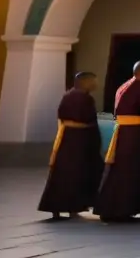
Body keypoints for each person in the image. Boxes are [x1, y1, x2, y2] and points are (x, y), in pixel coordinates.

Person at [94, 61, 140, 222]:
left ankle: (112, 207)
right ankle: (120, 209)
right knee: (128, 170)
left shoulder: (123, 86)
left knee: (119, 168)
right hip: (133, 134)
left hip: (123, 131)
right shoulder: (138, 87)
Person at [38, 72, 104, 220]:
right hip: (80, 140)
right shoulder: (85, 98)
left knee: (62, 172)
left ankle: (58, 207)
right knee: (77, 173)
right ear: (85, 82)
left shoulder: (67, 95)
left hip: (67, 137)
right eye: (94, 81)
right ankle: (73, 206)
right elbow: (88, 119)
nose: (96, 85)